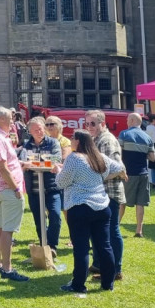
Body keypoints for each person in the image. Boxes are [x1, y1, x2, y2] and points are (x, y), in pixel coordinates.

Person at [53, 129, 125, 296]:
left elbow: (61, 182)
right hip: (102, 206)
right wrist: (104, 176)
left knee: (81, 248)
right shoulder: (99, 157)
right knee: (104, 246)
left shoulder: (74, 158)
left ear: (78, 141)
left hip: (80, 207)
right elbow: (119, 166)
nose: (70, 140)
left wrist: (58, 171)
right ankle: (108, 283)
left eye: (72, 138)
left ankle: (78, 284)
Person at [0, 106, 28, 282]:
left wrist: (19, 163)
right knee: (7, 230)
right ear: (2, 120)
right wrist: (16, 189)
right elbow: (3, 168)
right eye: (11, 119)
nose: (13, 122)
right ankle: (7, 269)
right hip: (9, 189)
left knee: (0, 227)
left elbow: (4, 164)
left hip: (2, 188)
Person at [86, 109, 125, 282]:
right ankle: (99, 263)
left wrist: (95, 177)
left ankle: (115, 269)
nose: (89, 127)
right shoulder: (96, 139)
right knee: (98, 231)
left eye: (92, 123)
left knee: (111, 231)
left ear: (103, 123)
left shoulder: (107, 140)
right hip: (100, 193)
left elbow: (118, 169)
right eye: (87, 124)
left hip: (109, 192)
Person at [18, 117, 62, 256]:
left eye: (41, 129)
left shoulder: (53, 143)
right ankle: (44, 246)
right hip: (34, 189)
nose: (39, 132)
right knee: (39, 219)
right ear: (30, 131)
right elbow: (22, 163)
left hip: (51, 187)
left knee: (55, 216)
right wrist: (43, 163)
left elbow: (55, 162)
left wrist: (31, 164)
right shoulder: (26, 146)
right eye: (36, 130)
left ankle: (52, 245)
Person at [118, 112, 155, 238]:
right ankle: (139, 230)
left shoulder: (124, 134)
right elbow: (153, 158)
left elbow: (118, 153)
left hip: (128, 173)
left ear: (133, 120)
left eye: (128, 119)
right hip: (143, 174)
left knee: (122, 201)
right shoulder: (147, 138)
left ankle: (116, 226)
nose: (127, 122)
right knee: (141, 203)